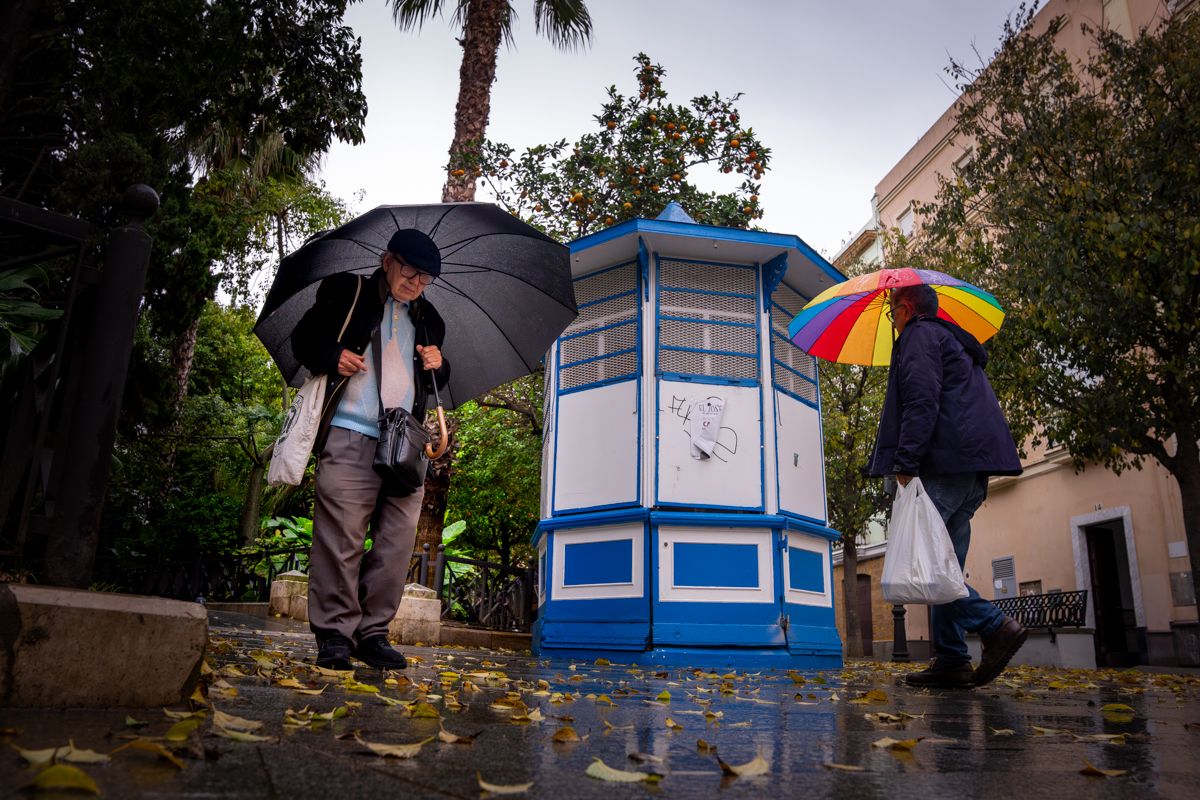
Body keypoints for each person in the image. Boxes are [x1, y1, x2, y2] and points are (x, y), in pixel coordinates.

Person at [292, 229, 450, 670]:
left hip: (406, 444)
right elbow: (303, 341)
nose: (416, 283)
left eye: (425, 278)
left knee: (397, 544)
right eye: (410, 271)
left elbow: (436, 378)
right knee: (340, 538)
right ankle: (335, 635)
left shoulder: (429, 318)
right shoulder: (347, 291)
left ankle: (373, 634)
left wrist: (441, 363)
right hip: (349, 432)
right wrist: (333, 354)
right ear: (388, 261)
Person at [869, 283, 1025, 688]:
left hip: (943, 465)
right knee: (945, 564)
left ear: (905, 309)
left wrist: (905, 461)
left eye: (891, 312)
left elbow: (922, 401)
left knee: (935, 568)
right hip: (970, 470)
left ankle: (995, 626)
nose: (893, 321)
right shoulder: (951, 341)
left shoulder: (919, 337)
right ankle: (953, 659)